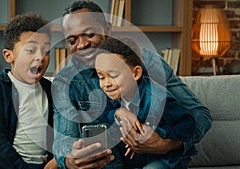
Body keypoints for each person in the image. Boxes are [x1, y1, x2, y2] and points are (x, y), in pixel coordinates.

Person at [52, 1, 212, 169]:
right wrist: (69, 160)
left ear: (107, 30)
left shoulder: (147, 62)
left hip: (160, 159)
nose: (82, 44)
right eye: (72, 40)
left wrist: (165, 143)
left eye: (90, 34)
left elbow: (199, 115)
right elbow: (64, 140)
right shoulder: (65, 81)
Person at [95, 36, 197, 168]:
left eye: (113, 76)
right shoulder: (113, 94)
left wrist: (154, 134)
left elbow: (188, 125)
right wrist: (118, 112)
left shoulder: (157, 99)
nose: (106, 84)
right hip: (136, 157)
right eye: (101, 77)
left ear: (136, 73)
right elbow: (104, 115)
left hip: (165, 159)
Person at [0, 13, 58, 169]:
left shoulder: (51, 90)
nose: (40, 57)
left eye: (46, 51)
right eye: (30, 50)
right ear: (9, 56)